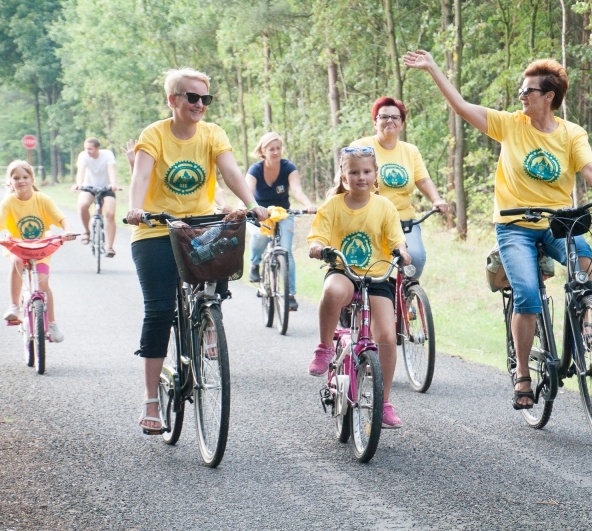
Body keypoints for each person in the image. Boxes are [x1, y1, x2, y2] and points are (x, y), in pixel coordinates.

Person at [404, 50, 592, 410]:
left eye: (528, 91)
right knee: (527, 296)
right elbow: (461, 106)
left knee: (583, 258)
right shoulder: (510, 124)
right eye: (521, 91)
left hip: (557, 222)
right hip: (514, 226)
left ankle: (585, 317)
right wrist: (432, 68)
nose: (521, 96)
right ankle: (523, 373)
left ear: (549, 97)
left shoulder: (571, 134)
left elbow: (590, 168)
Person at [125, 67, 268, 435]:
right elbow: (141, 175)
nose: (200, 105)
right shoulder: (154, 135)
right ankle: (151, 399)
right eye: (192, 98)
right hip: (157, 228)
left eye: (206, 98)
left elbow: (231, 173)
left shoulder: (212, 134)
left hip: (201, 226)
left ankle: (206, 320)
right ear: (173, 100)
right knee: (159, 311)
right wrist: (136, 208)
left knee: (222, 251)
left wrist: (252, 203)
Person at [307, 146, 411, 428]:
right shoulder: (332, 206)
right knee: (332, 291)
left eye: (366, 172)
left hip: (377, 277)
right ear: (343, 176)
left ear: (375, 176)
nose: (361, 177)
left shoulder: (384, 206)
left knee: (387, 336)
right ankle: (324, 346)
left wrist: (402, 250)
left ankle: (384, 401)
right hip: (344, 271)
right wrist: (318, 248)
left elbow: (395, 239)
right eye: (354, 172)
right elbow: (316, 236)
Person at [350, 97, 448, 279]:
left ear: (402, 124)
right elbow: (346, 179)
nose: (390, 121)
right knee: (370, 267)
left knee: (415, 258)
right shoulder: (361, 147)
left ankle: (406, 298)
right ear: (375, 122)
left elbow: (423, 180)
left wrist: (436, 199)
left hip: (404, 221)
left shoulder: (410, 151)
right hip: (370, 217)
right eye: (384, 117)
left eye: (395, 117)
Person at [1, 160, 77, 342]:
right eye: (16, 178)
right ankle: (14, 307)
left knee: (43, 285)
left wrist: (66, 231)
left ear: (32, 179)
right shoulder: (9, 202)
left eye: (25, 177)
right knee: (17, 260)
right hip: (18, 246)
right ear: (10, 181)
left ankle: (51, 323)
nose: (21, 181)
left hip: (41, 248)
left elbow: (61, 218)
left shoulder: (42, 199)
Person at [245, 131, 316, 311]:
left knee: (286, 251)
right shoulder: (255, 170)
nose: (276, 152)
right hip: (260, 214)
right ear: (263, 151)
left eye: (278, 148)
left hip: (283, 213)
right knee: (260, 236)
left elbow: (297, 190)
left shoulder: (288, 167)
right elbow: (247, 192)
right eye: (271, 149)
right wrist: (246, 208)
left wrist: (309, 205)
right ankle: (255, 263)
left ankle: (290, 294)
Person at [72, 137, 120, 257]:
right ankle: (87, 232)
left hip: (106, 187)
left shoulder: (107, 155)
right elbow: (81, 171)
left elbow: (111, 170)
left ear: (98, 148)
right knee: (83, 205)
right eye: (85, 148)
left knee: (110, 213)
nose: (87, 151)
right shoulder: (83, 156)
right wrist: (79, 184)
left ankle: (110, 247)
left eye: (90, 149)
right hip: (89, 187)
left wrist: (113, 184)